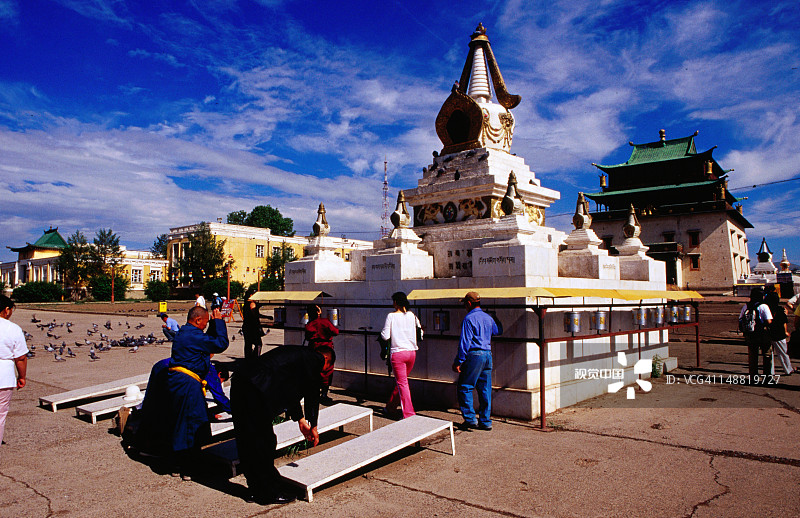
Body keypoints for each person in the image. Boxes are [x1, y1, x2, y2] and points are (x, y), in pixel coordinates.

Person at [231, 345, 335, 505]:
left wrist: (301, 420)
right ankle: (266, 493)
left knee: (247, 440)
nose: (324, 371)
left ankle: (255, 489)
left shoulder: (297, 356)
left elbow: (289, 390)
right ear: (326, 359)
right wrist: (313, 425)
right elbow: (312, 392)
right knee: (264, 442)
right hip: (255, 389)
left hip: (240, 383)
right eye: (327, 368)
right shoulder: (316, 359)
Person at [167, 306, 229, 479]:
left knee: (180, 422)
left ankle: (177, 462)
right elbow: (220, 344)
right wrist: (219, 322)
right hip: (188, 384)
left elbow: (206, 338)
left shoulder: (186, 332)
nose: (206, 325)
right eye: (206, 322)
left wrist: (213, 324)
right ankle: (187, 466)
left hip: (180, 382)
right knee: (192, 423)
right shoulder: (193, 335)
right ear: (198, 320)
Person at [453, 291, 502, 431]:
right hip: (487, 354)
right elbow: (498, 331)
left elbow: (465, 342)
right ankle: (485, 421)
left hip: (474, 355)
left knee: (465, 386)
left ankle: (470, 419)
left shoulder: (469, 319)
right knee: (485, 389)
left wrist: (458, 361)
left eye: (465, 304)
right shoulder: (488, 317)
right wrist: (496, 319)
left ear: (469, 303)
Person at [380, 292, 420, 419]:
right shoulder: (412, 315)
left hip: (398, 353)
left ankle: (409, 413)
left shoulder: (391, 316)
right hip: (412, 352)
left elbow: (385, 336)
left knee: (402, 383)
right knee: (401, 382)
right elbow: (420, 332)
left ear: (396, 302)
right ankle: (390, 407)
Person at [0, 295, 28, 446]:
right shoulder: (13, 328)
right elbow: (21, 358)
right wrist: (22, 377)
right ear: (6, 310)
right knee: (0, 416)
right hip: (3, 377)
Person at [304, 304, 339, 405]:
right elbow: (335, 331)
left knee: (315, 370)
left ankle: (315, 390)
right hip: (327, 349)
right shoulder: (325, 322)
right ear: (318, 312)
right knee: (328, 371)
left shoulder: (309, 325)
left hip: (314, 349)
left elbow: (307, 337)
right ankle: (324, 393)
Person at [739, 287, 773, 378]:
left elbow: (740, 319)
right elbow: (768, 321)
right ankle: (767, 376)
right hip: (762, 334)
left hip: (750, 334)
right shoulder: (763, 306)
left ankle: (753, 376)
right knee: (766, 355)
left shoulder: (746, 306)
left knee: (753, 356)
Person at [765, 292, 794, 376]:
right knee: (783, 353)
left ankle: (771, 371)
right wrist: (785, 332)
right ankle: (788, 369)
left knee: (770, 354)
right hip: (779, 334)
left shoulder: (767, 309)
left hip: (769, 333)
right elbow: (784, 323)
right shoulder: (780, 310)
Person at [242, 289, 265, 360]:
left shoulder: (245, 304)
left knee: (248, 344)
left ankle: (248, 359)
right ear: (251, 295)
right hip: (253, 327)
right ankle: (255, 358)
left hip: (246, 326)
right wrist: (266, 317)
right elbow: (255, 315)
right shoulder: (252, 304)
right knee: (258, 344)